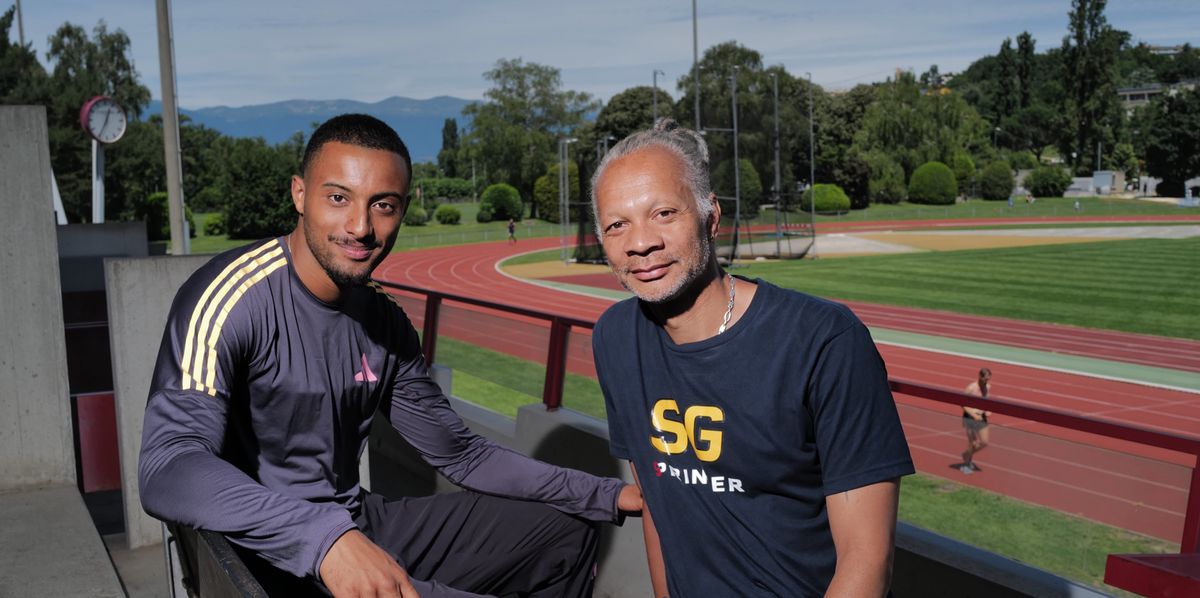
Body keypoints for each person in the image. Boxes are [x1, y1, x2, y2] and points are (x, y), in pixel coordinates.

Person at [139, 114, 641, 598]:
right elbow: (168, 464)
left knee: (566, 532)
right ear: (299, 193)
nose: (360, 227)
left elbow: (460, 453)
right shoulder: (233, 298)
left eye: (383, 206)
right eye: (338, 198)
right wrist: (323, 540)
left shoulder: (384, 320)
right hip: (271, 552)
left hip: (355, 523)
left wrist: (607, 494)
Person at [589, 119, 914, 597]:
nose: (640, 243)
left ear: (711, 217)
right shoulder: (614, 339)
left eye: (663, 213)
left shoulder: (823, 340)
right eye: (618, 224)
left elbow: (866, 562)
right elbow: (661, 508)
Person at [960, 367, 993, 474]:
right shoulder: (971, 388)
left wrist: (987, 411)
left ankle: (966, 454)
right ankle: (966, 464)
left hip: (981, 417)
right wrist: (973, 414)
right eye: (985, 379)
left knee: (984, 442)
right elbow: (962, 403)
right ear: (979, 376)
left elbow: (986, 402)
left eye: (988, 379)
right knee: (973, 443)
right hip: (969, 417)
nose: (986, 381)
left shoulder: (987, 387)